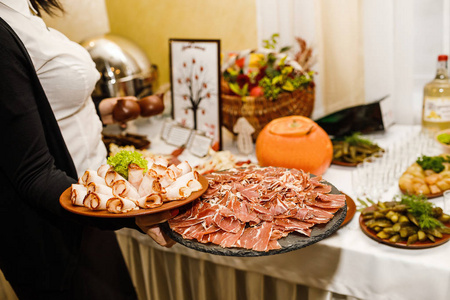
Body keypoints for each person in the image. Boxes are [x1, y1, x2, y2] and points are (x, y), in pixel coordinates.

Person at [0, 0, 175, 299]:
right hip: (59, 228)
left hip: (88, 204)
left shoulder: (22, 9)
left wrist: (99, 110)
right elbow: (32, 173)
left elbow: (40, 108)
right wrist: (131, 214)